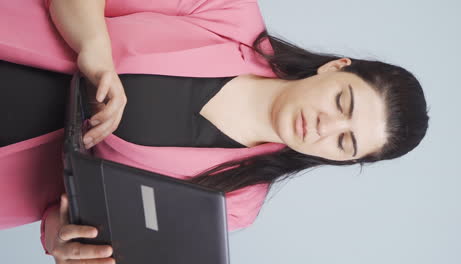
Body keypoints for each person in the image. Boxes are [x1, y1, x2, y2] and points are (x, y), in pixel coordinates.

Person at [0, 0, 429, 263]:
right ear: (335, 67)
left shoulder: (234, 205)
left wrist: (64, 238)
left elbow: (89, 220)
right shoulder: (227, 10)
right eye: (342, 102)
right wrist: (95, 48)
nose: (325, 126)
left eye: (344, 142)